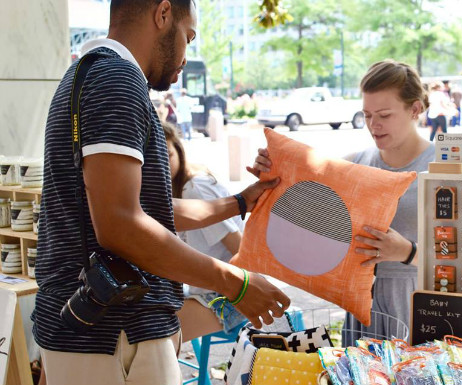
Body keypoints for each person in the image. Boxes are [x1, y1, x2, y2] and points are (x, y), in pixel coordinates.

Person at [33, 1, 290, 385]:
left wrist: (239, 202)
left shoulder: (92, 73)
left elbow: (145, 208)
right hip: (112, 332)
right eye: (189, 37)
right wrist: (236, 284)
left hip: (105, 330)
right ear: (163, 13)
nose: (186, 55)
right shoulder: (115, 79)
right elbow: (121, 224)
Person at [249, 59, 435, 345]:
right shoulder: (355, 166)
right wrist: (272, 169)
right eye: (368, 114)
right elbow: (302, 199)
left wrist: (408, 252)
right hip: (362, 312)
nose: (374, 125)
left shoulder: (442, 169)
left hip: (418, 306)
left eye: (384, 115)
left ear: (415, 109)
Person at [163, 122, 246, 332]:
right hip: (205, 290)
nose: (163, 163)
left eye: (169, 155)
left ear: (179, 151)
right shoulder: (176, 189)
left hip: (230, 293)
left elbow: (240, 248)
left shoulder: (194, 189)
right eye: (156, 157)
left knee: (157, 334)